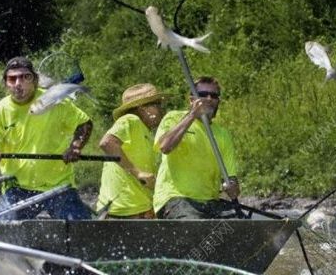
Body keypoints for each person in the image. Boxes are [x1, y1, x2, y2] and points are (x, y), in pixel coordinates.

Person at [0, 56, 93, 220]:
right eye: (12, 79)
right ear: (6, 83)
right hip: (17, 187)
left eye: (24, 77)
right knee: (3, 233)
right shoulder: (0, 109)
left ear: (34, 80)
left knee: (82, 233)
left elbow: (84, 123)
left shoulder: (54, 99)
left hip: (59, 185)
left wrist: (75, 146)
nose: (18, 83)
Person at [153, 76, 240, 219]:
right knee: (196, 228)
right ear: (192, 100)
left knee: (237, 227)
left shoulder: (223, 134)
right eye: (203, 95)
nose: (209, 98)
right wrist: (192, 115)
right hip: (177, 199)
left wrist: (232, 188)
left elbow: (233, 182)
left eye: (214, 95)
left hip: (210, 202)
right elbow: (165, 147)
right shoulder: (173, 118)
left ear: (218, 100)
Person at [96, 83, 164, 219]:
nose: (161, 108)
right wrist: (138, 173)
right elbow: (107, 143)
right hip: (124, 211)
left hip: (136, 209)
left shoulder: (144, 131)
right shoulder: (130, 120)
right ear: (142, 108)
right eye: (156, 103)